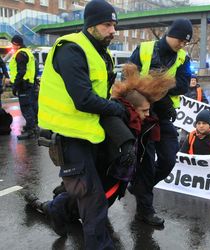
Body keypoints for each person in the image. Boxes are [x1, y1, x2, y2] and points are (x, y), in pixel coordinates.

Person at [25, 64, 175, 236]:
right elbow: (112, 120)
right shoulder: (117, 113)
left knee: (95, 203)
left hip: (115, 175)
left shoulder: (142, 117)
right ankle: (47, 207)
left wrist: (165, 104)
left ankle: (59, 208)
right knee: (83, 202)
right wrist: (126, 145)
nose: (148, 114)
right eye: (145, 111)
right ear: (133, 108)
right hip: (103, 171)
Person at [37, 0, 125, 249]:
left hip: (90, 133)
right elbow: (83, 98)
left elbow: (103, 94)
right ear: (91, 25)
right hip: (68, 134)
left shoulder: (101, 53)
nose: (113, 31)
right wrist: (117, 110)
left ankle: (57, 209)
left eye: (114, 25)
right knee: (93, 198)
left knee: (86, 190)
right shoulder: (72, 48)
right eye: (107, 24)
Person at [128, 18, 193, 226]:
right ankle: (145, 211)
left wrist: (152, 84)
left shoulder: (183, 58)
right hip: (142, 116)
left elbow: (183, 85)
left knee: (168, 160)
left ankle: (139, 187)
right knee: (146, 164)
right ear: (170, 34)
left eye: (186, 42)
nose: (182, 45)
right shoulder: (144, 49)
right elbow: (130, 79)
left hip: (164, 117)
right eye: (181, 40)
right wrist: (162, 92)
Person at [8, 35, 37, 140]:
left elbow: (21, 71)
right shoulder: (28, 52)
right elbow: (35, 67)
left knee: (26, 107)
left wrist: (15, 85)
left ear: (16, 44)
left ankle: (30, 131)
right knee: (31, 106)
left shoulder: (20, 54)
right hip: (29, 84)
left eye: (13, 44)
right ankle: (33, 127)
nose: (12, 46)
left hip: (23, 85)